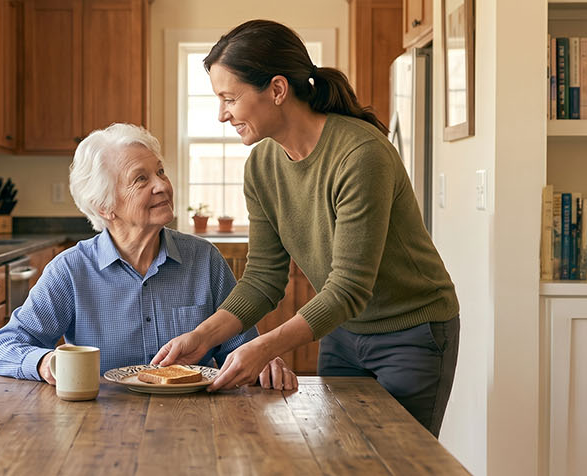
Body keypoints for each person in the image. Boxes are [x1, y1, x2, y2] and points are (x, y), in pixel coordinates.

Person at [152, 20, 460, 435]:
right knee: (339, 457)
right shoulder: (261, 167)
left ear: (277, 90)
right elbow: (263, 279)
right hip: (343, 332)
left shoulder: (359, 154)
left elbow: (349, 287)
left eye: (229, 99)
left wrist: (261, 347)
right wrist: (203, 337)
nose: (222, 115)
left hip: (411, 333)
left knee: (398, 461)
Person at [0, 123, 297, 390]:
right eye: (141, 179)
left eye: (160, 171)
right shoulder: (72, 270)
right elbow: (0, 350)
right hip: (101, 427)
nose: (162, 185)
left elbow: (240, 349)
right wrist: (45, 362)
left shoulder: (204, 260)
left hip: (193, 423)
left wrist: (264, 362)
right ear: (105, 206)